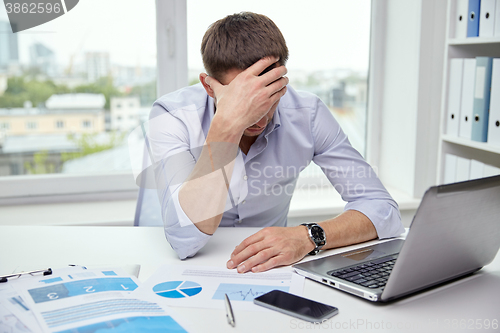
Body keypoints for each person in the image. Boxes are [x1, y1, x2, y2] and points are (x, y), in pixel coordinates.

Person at [148, 12, 404, 274]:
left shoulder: (308, 113)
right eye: (242, 96)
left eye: (269, 92)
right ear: (209, 86)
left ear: (283, 80)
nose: (257, 114)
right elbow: (184, 240)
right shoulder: (172, 115)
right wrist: (227, 125)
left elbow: (384, 212)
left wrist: (308, 236)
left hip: (273, 268)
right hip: (192, 267)